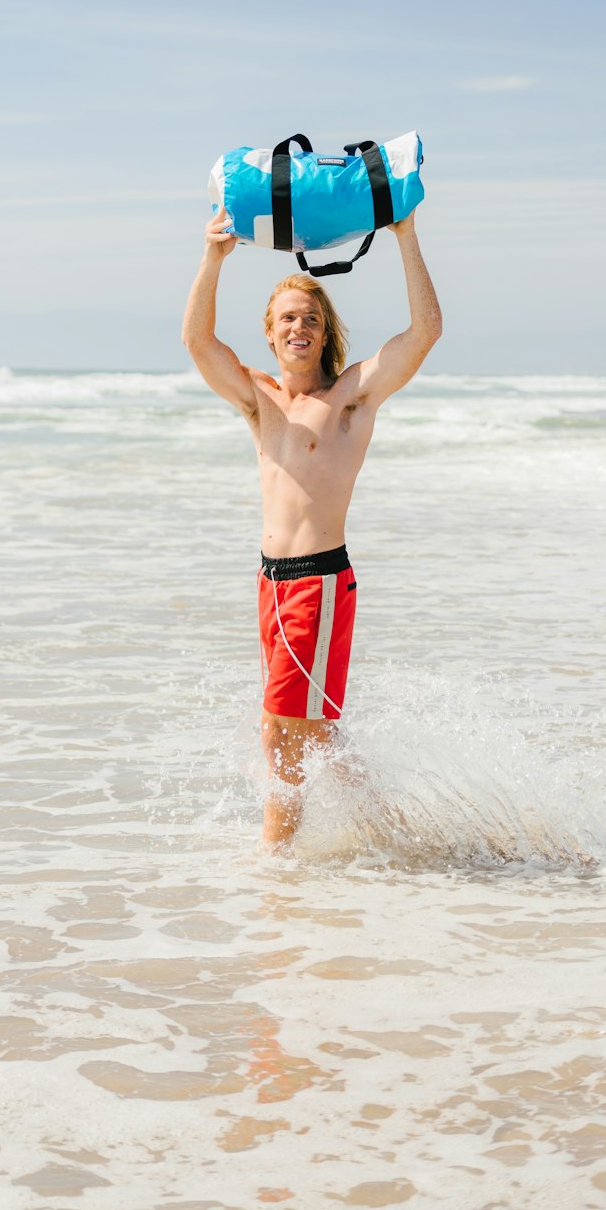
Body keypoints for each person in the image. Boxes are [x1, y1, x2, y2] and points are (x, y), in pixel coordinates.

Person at [181, 207, 442, 848]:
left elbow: (425, 332)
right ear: (270, 334)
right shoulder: (260, 401)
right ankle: (396, 838)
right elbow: (198, 343)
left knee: (277, 729)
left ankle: (278, 869)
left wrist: (405, 236)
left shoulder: (350, 397)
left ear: (327, 334)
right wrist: (212, 260)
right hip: (271, 583)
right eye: (289, 318)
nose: (301, 326)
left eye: (313, 318)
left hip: (318, 586)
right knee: (312, 731)